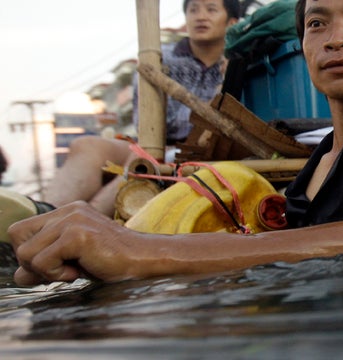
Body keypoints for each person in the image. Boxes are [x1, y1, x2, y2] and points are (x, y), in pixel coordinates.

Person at [8, 0, 343, 286]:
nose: (335, 39)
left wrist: (134, 249)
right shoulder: (314, 169)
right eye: (317, 23)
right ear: (303, 46)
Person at [0, 0, 240, 234]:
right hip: (158, 142)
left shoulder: (240, 61)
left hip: (208, 152)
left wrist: (226, 79)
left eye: (211, 9)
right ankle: (41, 216)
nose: (200, 16)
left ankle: (74, 226)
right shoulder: (159, 59)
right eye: (193, 9)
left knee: (141, 161)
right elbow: (145, 122)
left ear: (231, 22)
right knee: (88, 145)